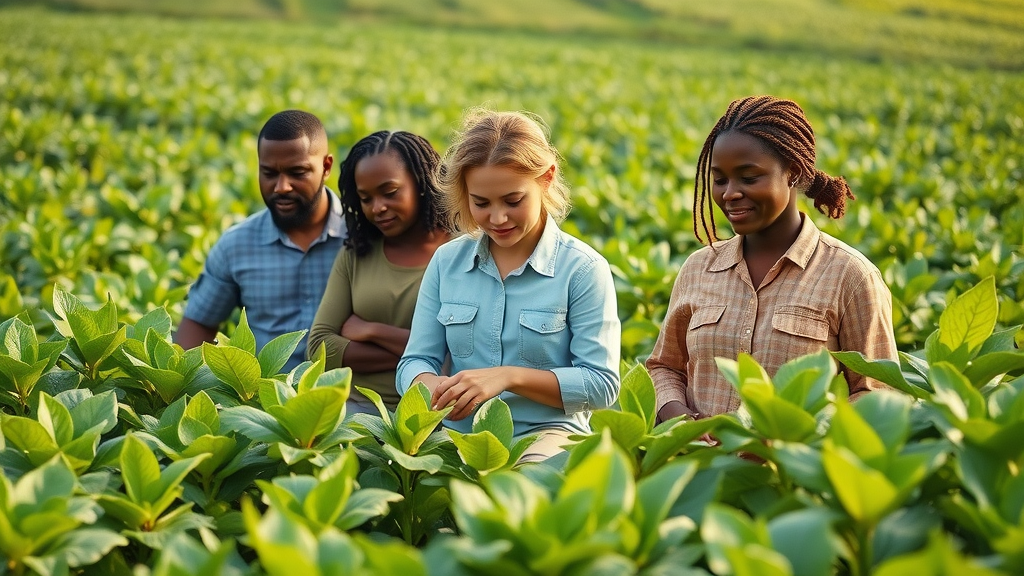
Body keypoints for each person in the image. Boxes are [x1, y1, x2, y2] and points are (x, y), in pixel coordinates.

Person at [647, 95, 898, 424]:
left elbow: (878, 392)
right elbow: (664, 367)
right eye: (719, 179)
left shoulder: (850, 276)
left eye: (749, 178)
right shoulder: (699, 268)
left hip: (792, 472)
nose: (729, 193)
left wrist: (793, 437)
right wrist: (682, 420)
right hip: (697, 467)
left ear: (792, 173)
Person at [396, 109, 621, 463]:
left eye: (513, 201)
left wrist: (507, 378)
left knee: (529, 484)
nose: (497, 219)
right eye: (480, 203)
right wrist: (434, 386)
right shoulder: (446, 262)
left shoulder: (583, 269)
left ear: (546, 179)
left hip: (546, 436)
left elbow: (601, 384)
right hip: (459, 435)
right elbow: (415, 360)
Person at [175, 110, 345, 372]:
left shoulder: (361, 235)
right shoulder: (236, 245)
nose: (281, 187)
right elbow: (199, 325)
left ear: (326, 167)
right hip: (263, 402)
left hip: (351, 400)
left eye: (297, 172)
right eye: (269, 173)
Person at [308, 131, 449, 413]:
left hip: (437, 413)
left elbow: (464, 354)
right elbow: (319, 346)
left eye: (390, 192)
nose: (378, 208)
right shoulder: (356, 252)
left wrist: (370, 330)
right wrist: (426, 355)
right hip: (356, 407)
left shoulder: (462, 251)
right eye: (365, 198)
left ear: (421, 183)